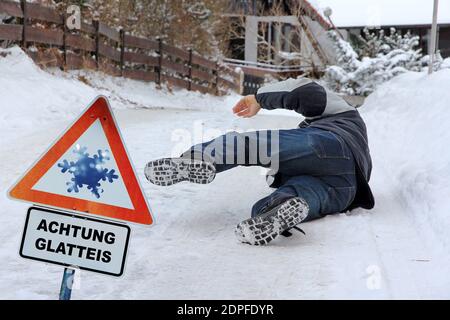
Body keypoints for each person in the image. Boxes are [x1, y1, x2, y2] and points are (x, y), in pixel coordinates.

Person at [145, 78, 374, 246]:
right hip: (347, 190)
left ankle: (199, 158)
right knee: (298, 194)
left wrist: (258, 98)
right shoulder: (361, 149)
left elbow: (307, 91)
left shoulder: (344, 114)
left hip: (330, 144)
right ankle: (276, 210)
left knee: (249, 144)